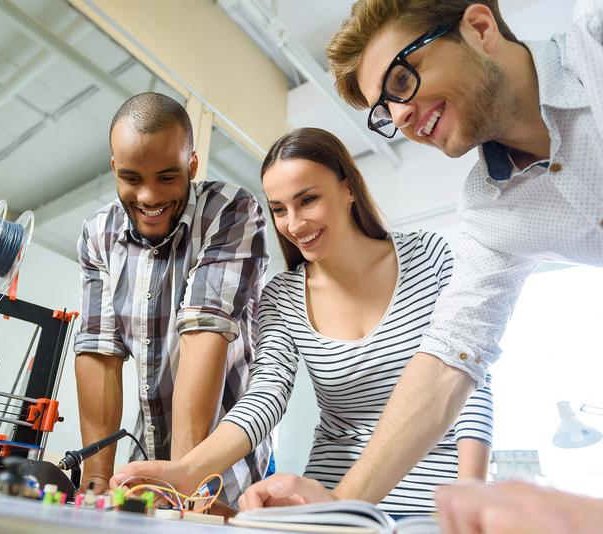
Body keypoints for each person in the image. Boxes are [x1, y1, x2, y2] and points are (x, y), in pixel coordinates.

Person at [237, 0, 603, 530]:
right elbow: (453, 357)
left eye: (401, 79)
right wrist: (341, 507)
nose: (401, 115)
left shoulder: (593, 42)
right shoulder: (489, 211)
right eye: (385, 110)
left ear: (478, 28)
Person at [111, 127, 493, 516]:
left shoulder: (428, 256)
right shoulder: (283, 295)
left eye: (307, 200)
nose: (294, 225)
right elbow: (265, 397)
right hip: (329, 499)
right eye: (279, 209)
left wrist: (472, 493)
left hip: (437, 498)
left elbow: (470, 377)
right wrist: (188, 470)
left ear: (348, 188)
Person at [73, 92, 271, 508]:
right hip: (142, 460)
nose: (147, 196)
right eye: (131, 178)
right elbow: (98, 349)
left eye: (167, 177)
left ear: (192, 165)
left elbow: (205, 333)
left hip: (224, 471)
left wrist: (185, 479)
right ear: (114, 168)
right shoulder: (97, 233)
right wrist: (94, 479)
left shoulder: (230, 211)